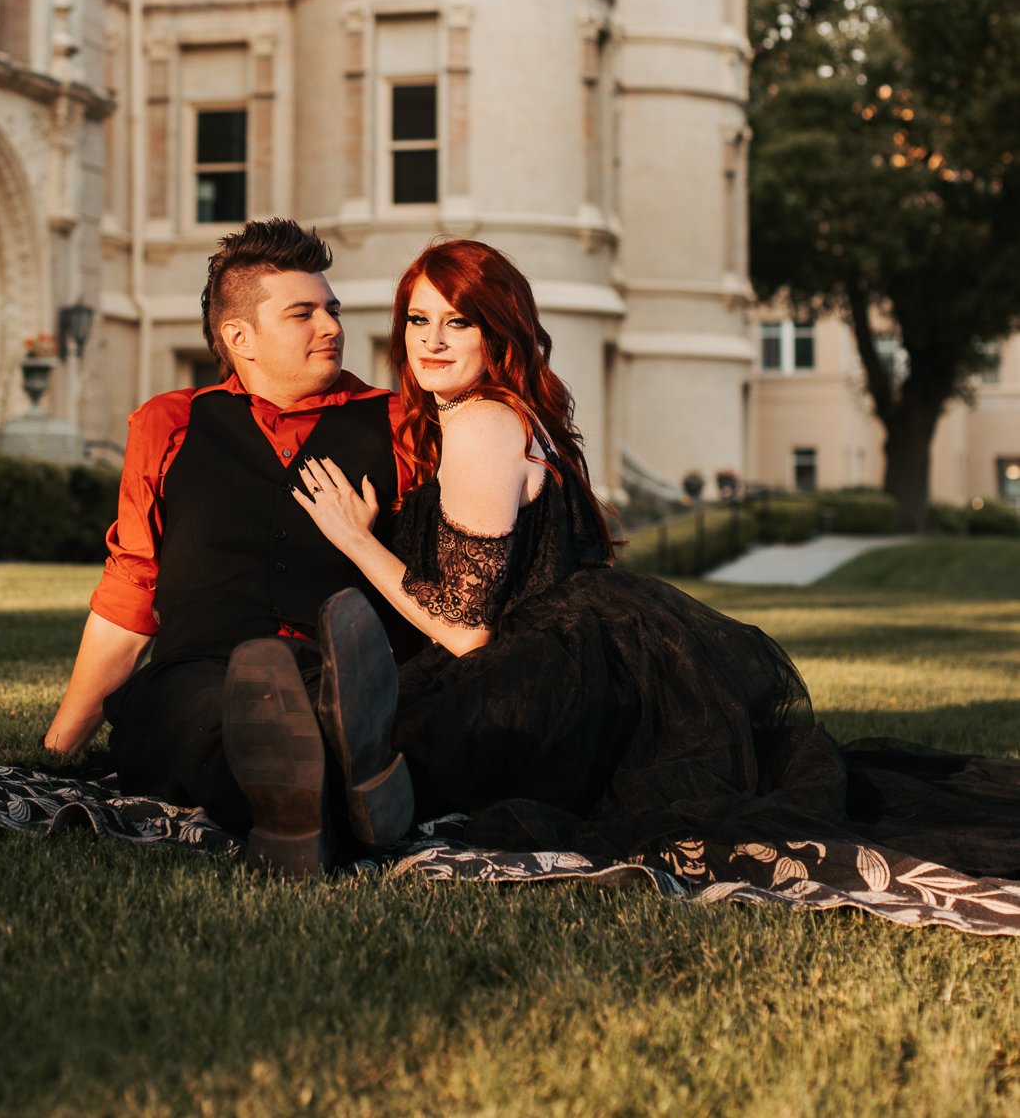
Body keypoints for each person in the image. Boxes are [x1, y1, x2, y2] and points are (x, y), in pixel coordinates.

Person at [295, 238, 1020, 892]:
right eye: (419, 321)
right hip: (588, 663)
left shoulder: (482, 423)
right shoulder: (502, 413)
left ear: (498, 330)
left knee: (407, 747)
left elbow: (464, 628)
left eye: (459, 322)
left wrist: (357, 540)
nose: (433, 341)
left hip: (542, 678)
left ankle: (382, 786)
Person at [43, 218, 421, 874]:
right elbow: (130, 595)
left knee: (311, 701)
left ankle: (300, 806)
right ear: (238, 337)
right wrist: (59, 748)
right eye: (303, 313)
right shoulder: (168, 423)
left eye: (331, 310)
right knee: (192, 718)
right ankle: (340, 793)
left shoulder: (398, 425)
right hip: (199, 671)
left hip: (331, 667)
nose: (331, 327)